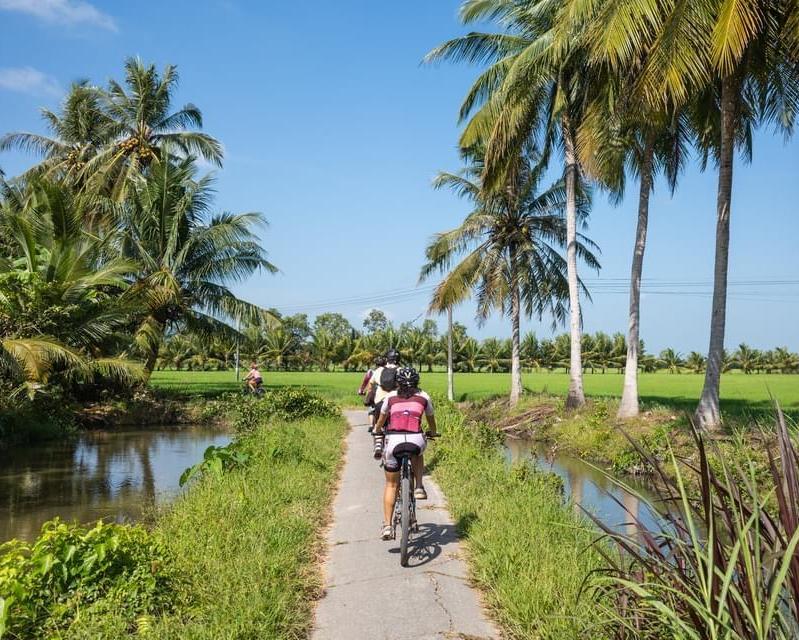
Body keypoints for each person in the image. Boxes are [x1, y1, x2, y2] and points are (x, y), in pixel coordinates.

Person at [372, 366, 437, 540]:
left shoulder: (390, 397)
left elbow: (381, 419)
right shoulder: (424, 396)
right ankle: (419, 487)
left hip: (393, 442)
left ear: (397, 382)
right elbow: (431, 420)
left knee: (391, 485)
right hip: (415, 440)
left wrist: (377, 430)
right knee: (419, 452)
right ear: (417, 381)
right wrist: (433, 432)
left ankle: (387, 526)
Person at [364, 349, 400, 438]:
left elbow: (370, 385)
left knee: (377, 428)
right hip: (395, 403)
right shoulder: (401, 370)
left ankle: (378, 443)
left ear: (387, 359)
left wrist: (368, 397)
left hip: (380, 403)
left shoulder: (379, 370)